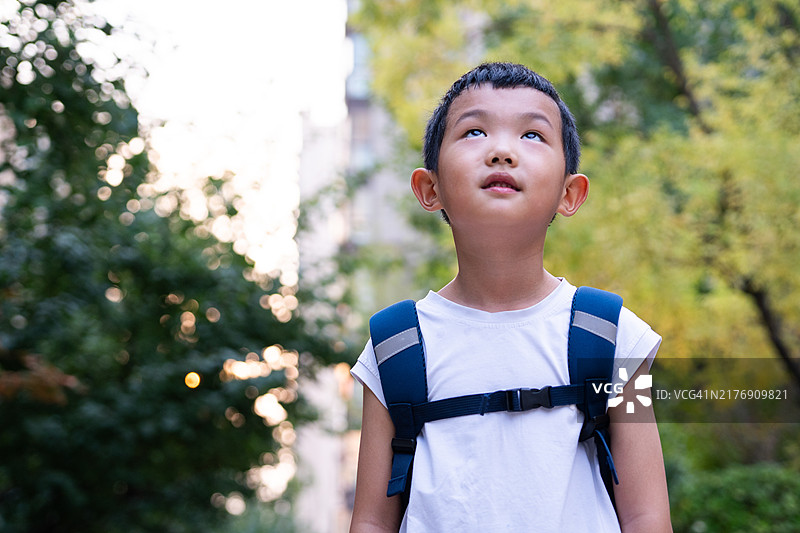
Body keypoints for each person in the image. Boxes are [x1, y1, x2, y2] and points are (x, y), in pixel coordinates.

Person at [349, 62, 672, 532]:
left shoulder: (613, 334)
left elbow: (647, 516)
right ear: (430, 188)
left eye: (533, 136)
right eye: (475, 131)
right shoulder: (395, 346)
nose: (502, 150)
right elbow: (372, 522)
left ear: (570, 193)